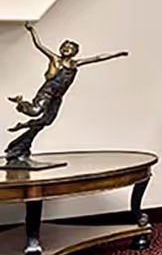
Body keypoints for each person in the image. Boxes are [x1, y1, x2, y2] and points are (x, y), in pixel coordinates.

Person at [5, 22, 128, 162]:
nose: (66, 49)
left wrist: (115, 55)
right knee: (35, 112)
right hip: (47, 93)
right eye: (64, 47)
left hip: (57, 98)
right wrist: (32, 30)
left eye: (69, 48)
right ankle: (21, 103)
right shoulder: (55, 59)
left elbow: (97, 58)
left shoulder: (75, 64)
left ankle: (21, 145)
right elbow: (40, 46)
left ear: (74, 52)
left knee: (46, 121)